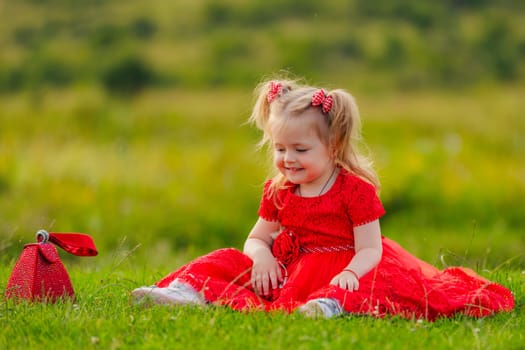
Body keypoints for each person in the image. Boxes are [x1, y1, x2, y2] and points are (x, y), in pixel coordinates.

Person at [132, 78, 514, 320]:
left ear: (332, 146)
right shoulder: (280, 190)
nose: (287, 159)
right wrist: (262, 255)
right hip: (289, 268)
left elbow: (371, 249)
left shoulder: (353, 189)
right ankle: (185, 292)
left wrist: (348, 272)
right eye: (280, 148)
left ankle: (330, 305)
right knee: (228, 261)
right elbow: (256, 238)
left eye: (300, 149)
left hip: (349, 264)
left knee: (372, 286)